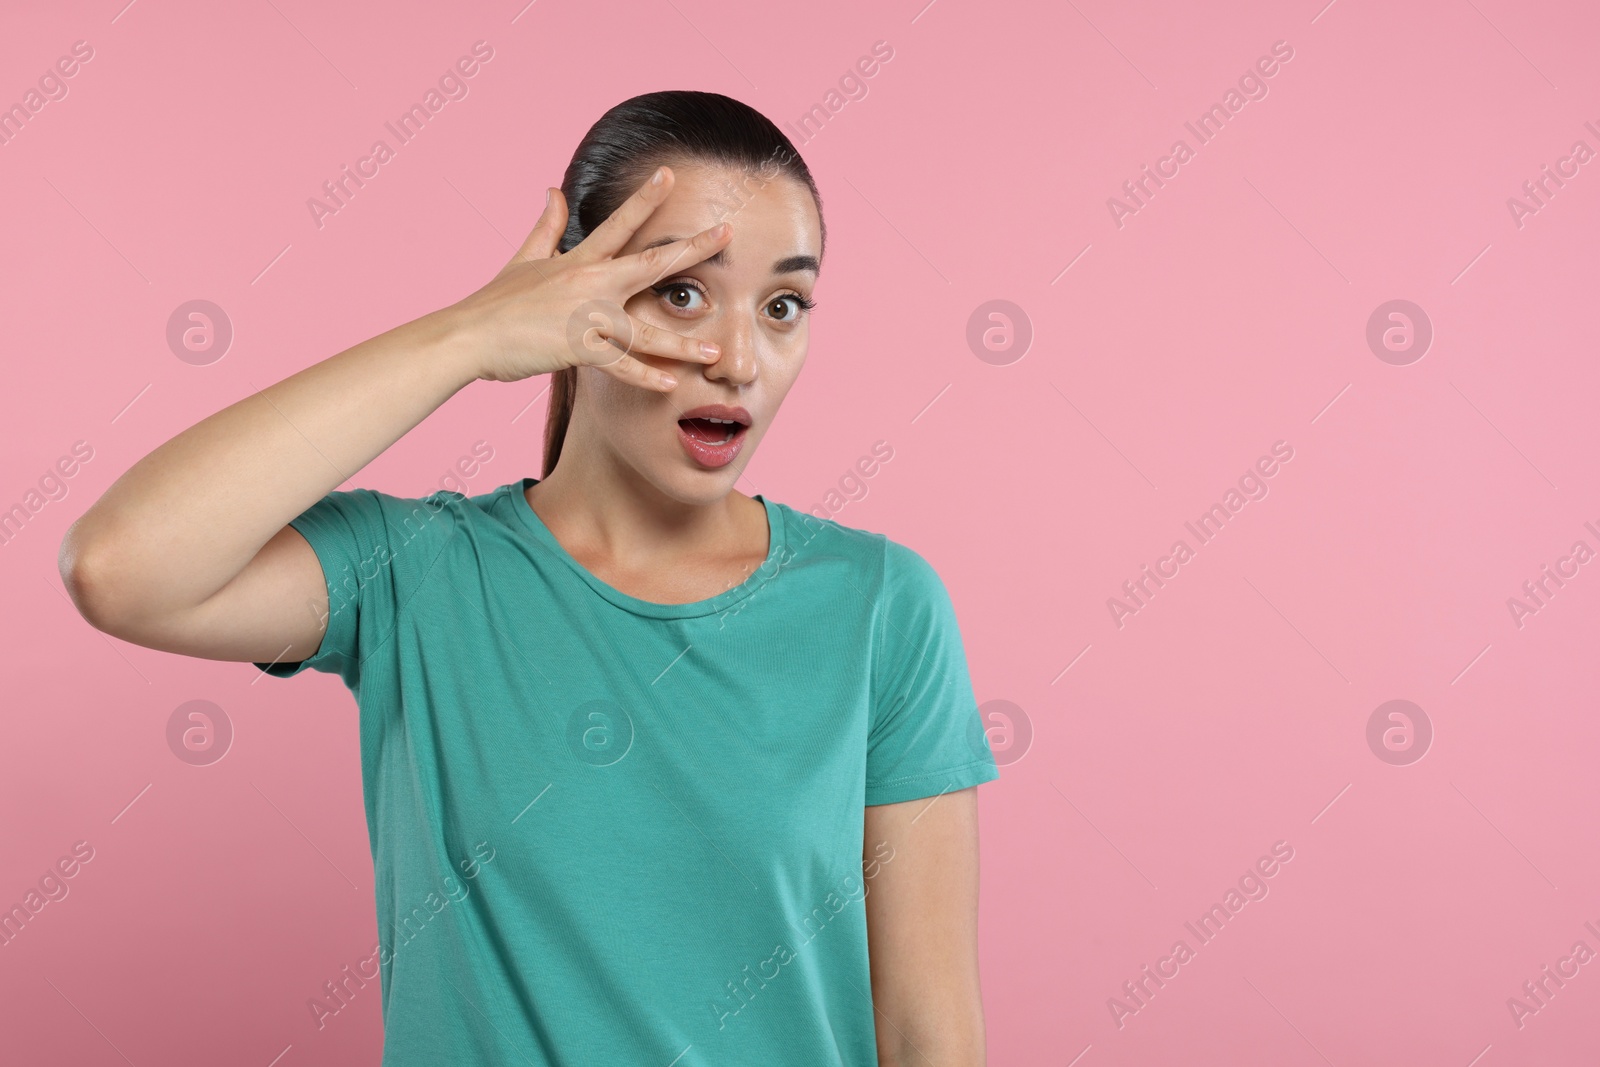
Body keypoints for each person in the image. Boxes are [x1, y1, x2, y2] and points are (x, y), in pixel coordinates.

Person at [59, 89, 1000, 1065]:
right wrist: (470, 336)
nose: (737, 358)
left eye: (782, 306)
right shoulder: (414, 573)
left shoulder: (880, 605)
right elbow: (121, 564)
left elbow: (929, 1033)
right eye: (681, 290)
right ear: (570, 296)